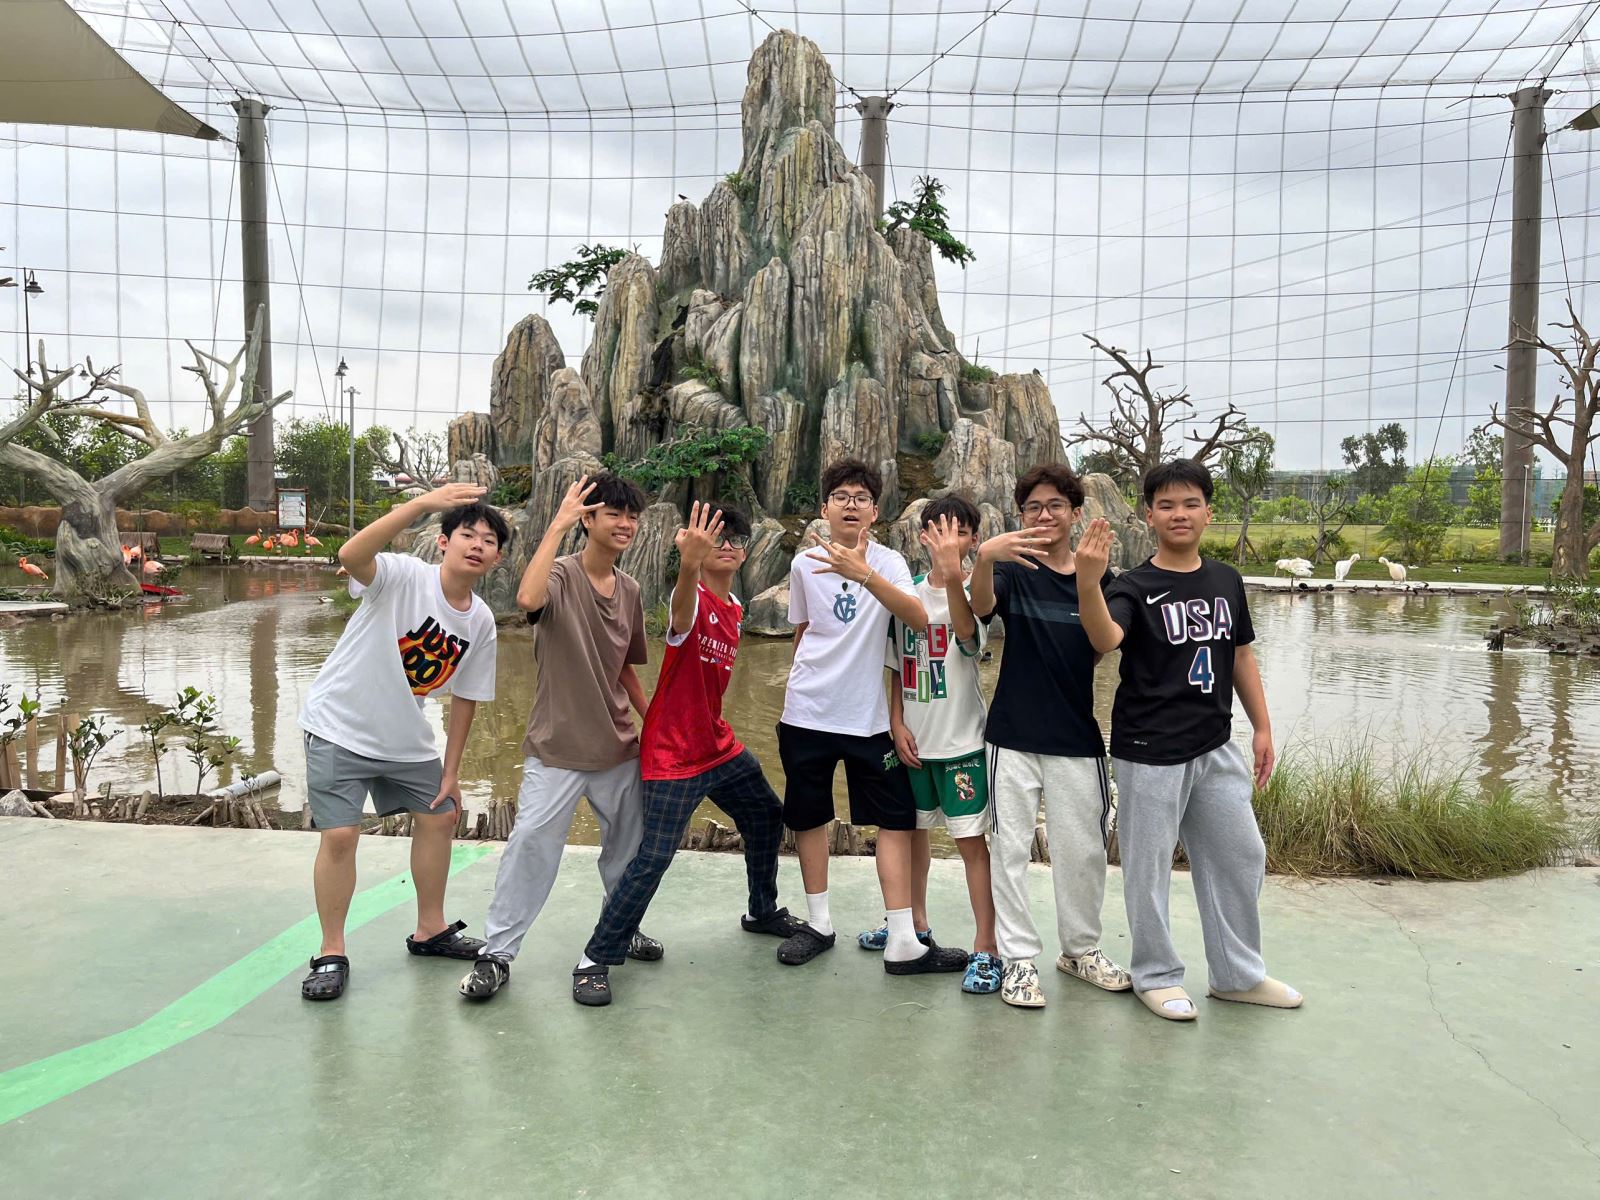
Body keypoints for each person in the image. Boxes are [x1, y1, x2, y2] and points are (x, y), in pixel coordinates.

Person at [1074, 458, 1302, 1021]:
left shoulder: (1226, 579)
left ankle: (1237, 975)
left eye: (1191, 503)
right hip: (1150, 750)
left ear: (1208, 512)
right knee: (1148, 868)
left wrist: (1263, 726)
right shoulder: (1133, 586)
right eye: (1167, 505)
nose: (1180, 513)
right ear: (1149, 515)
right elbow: (1104, 639)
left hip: (1215, 744)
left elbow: (1240, 654)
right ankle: (1156, 975)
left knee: (1240, 854)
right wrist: (1088, 581)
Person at [571, 502, 805, 1005]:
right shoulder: (692, 599)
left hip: (715, 745)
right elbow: (680, 609)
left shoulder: (736, 607)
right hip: (673, 754)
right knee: (655, 856)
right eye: (718, 538)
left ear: (745, 554)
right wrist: (688, 563)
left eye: (736, 540)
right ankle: (595, 958)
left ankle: (761, 911)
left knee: (766, 814)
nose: (728, 546)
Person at [297, 483, 508, 1001]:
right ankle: (331, 952)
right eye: (468, 534)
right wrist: (419, 504)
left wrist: (452, 772)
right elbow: (351, 555)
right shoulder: (403, 575)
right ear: (444, 542)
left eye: (489, 541)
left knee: (440, 815)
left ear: (498, 558)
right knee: (340, 836)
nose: (478, 545)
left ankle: (430, 929)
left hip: (405, 738)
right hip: (338, 725)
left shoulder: (481, 620)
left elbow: (467, 697)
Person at [460, 473, 660, 1001]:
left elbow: (623, 667)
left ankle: (622, 928)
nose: (625, 524)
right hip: (557, 748)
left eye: (632, 516)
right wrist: (558, 523)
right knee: (531, 844)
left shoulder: (631, 590)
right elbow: (527, 597)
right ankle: (497, 955)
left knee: (629, 851)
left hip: (618, 747)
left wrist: (654, 720)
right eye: (613, 513)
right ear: (588, 520)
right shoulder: (561, 575)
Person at [773, 458, 968, 975]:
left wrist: (864, 574)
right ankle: (818, 924)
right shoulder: (804, 564)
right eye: (841, 496)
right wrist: (802, 686)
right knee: (809, 816)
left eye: (861, 498)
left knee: (896, 819)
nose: (851, 505)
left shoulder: (890, 562)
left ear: (874, 511)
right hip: (808, 713)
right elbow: (803, 631)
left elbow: (917, 617)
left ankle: (903, 939)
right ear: (825, 508)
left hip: (869, 719)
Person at [968, 463, 1132, 1010]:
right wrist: (985, 558)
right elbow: (980, 608)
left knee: (1083, 851)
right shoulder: (1014, 570)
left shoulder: (1103, 578)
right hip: (1011, 736)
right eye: (1033, 507)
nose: (1044, 515)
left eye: (1055, 505)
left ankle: (1080, 950)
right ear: (1021, 516)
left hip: (1076, 737)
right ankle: (1018, 959)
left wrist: (1089, 578)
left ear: (1075, 513)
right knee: (1009, 849)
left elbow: (1105, 642)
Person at [853, 496, 1003, 994]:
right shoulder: (907, 595)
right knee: (912, 836)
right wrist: (896, 723)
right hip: (913, 745)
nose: (947, 541)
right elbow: (896, 667)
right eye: (937, 531)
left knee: (971, 845)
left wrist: (954, 576)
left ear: (974, 540)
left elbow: (967, 636)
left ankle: (986, 946)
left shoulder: (978, 595)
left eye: (958, 532)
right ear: (921, 537)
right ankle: (912, 925)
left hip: (961, 746)